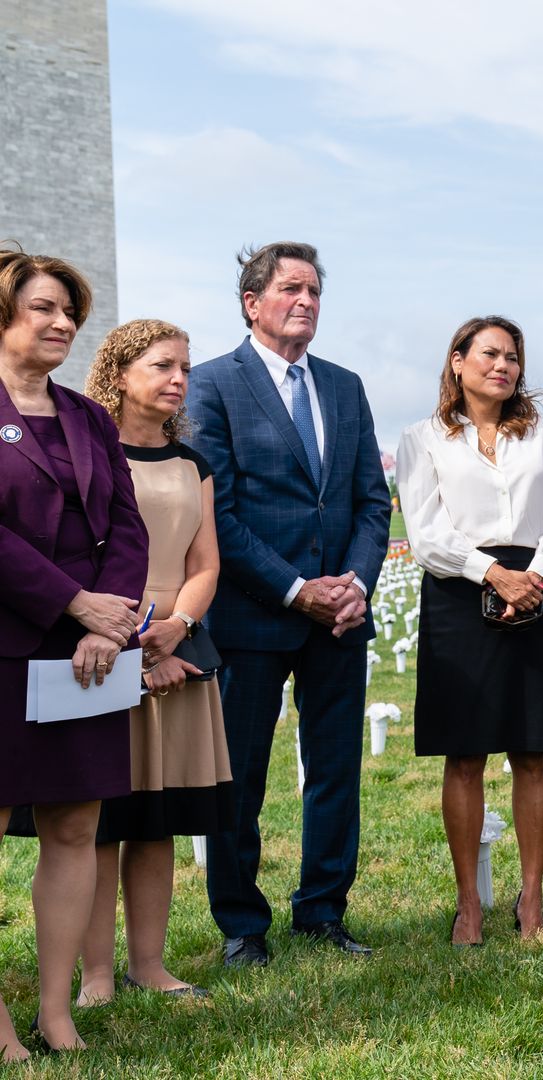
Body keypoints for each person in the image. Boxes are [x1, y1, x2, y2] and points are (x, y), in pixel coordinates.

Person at [186, 242, 391, 967]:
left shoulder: (345, 385)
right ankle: (242, 923)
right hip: (252, 615)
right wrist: (295, 588)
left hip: (340, 616)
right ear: (252, 302)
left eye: (314, 291)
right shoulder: (211, 385)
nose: (305, 301)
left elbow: (372, 499)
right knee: (239, 775)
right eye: (290, 289)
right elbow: (221, 514)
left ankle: (324, 911)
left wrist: (354, 585)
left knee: (335, 770)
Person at [0, 247, 149, 1057]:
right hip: (6, 644)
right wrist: (69, 598)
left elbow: (125, 524)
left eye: (70, 313)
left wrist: (104, 621)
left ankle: (56, 1013)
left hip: (87, 655)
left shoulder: (89, 415)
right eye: (43, 310)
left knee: (73, 827)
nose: (62, 325)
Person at [396, 316, 543, 947]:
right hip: (459, 591)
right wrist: (493, 573)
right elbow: (426, 533)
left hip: (538, 588)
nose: (503, 366)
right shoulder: (423, 439)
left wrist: (538, 576)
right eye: (490, 354)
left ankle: (532, 896)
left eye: (513, 357)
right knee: (465, 752)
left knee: (532, 751)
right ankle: (468, 902)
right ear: (457, 361)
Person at [71, 320, 231, 1005]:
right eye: (163, 365)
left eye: (185, 368)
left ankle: (148, 963)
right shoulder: (86, 451)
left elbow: (206, 563)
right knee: (97, 823)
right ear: (120, 372)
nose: (178, 379)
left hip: (180, 645)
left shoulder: (194, 465)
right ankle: (96, 975)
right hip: (105, 648)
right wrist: (139, 642)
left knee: (157, 818)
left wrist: (178, 628)